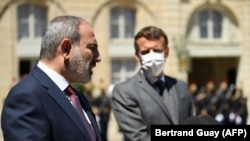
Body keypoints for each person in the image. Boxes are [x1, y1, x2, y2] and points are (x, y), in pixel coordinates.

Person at [1, 15, 105, 141]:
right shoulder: (26, 97)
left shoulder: (77, 97)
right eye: (92, 48)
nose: (98, 57)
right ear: (66, 49)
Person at [111, 25, 196, 141]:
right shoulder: (124, 91)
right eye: (145, 52)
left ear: (166, 52)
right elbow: (138, 137)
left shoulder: (180, 86)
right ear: (137, 56)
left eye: (157, 50)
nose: (152, 56)